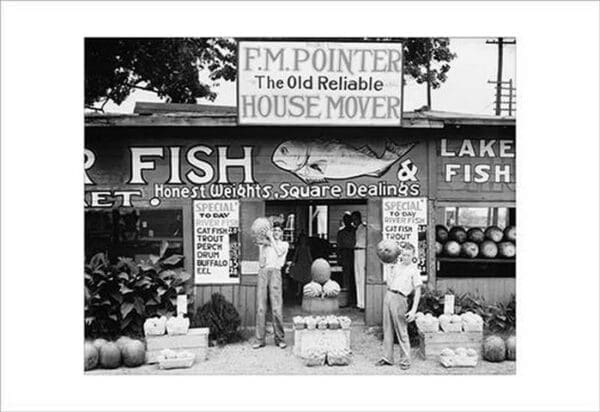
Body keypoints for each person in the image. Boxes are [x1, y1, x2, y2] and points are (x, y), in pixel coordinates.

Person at [376, 242, 422, 370]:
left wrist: (413, 310)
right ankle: (387, 358)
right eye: (404, 254)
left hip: (401, 298)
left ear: (413, 256)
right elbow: (389, 283)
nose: (405, 257)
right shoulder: (396, 266)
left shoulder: (414, 270)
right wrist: (388, 267)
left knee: (401, 330)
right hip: (389, 295)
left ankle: (405, 360)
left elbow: (418, 291)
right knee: (387, 328)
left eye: (408, 255)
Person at [253, 222, 289, 349]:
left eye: (279, 231)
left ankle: (280, 339)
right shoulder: (266, 245)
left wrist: (271, 239)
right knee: (261, 308)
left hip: (275, 272)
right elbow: (261, 263)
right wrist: (262, 247)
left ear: (282, 233)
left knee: (276, 308)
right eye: (274, 230)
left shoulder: (284, 244)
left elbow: (279, 253)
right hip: (263, 273)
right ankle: (259, 339)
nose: (276, 232)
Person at [336, 213, 356, 307]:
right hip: (345, 254)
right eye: (345, 220)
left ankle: (355, 299)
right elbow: (338, 246)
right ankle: (346, 300)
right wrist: (339, 257)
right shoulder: (341, 232)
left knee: (355, 277)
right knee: (346, 277)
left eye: (348, 220)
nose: (347, 222)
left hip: (355, 253)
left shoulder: (356, 231)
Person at [289, 232, 312, 303]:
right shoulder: (298, 248)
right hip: (300, 264)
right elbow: (295, 256)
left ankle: (306, 290)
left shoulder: (307, 248)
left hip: (306, 264)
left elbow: (309, 256)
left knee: (306, 279)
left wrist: (312, 262)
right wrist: (292, 263)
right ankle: (299, 291)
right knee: (300, 279)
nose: (303, 241)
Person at [351, 211, 366, 311]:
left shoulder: (364, 229)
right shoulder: (355, 230)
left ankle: (363, 303)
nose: (354, 221)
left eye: (355, 219)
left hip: (362, 251)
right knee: (357, 277)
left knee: (362, 277)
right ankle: (359, 303)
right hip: (356, 252)